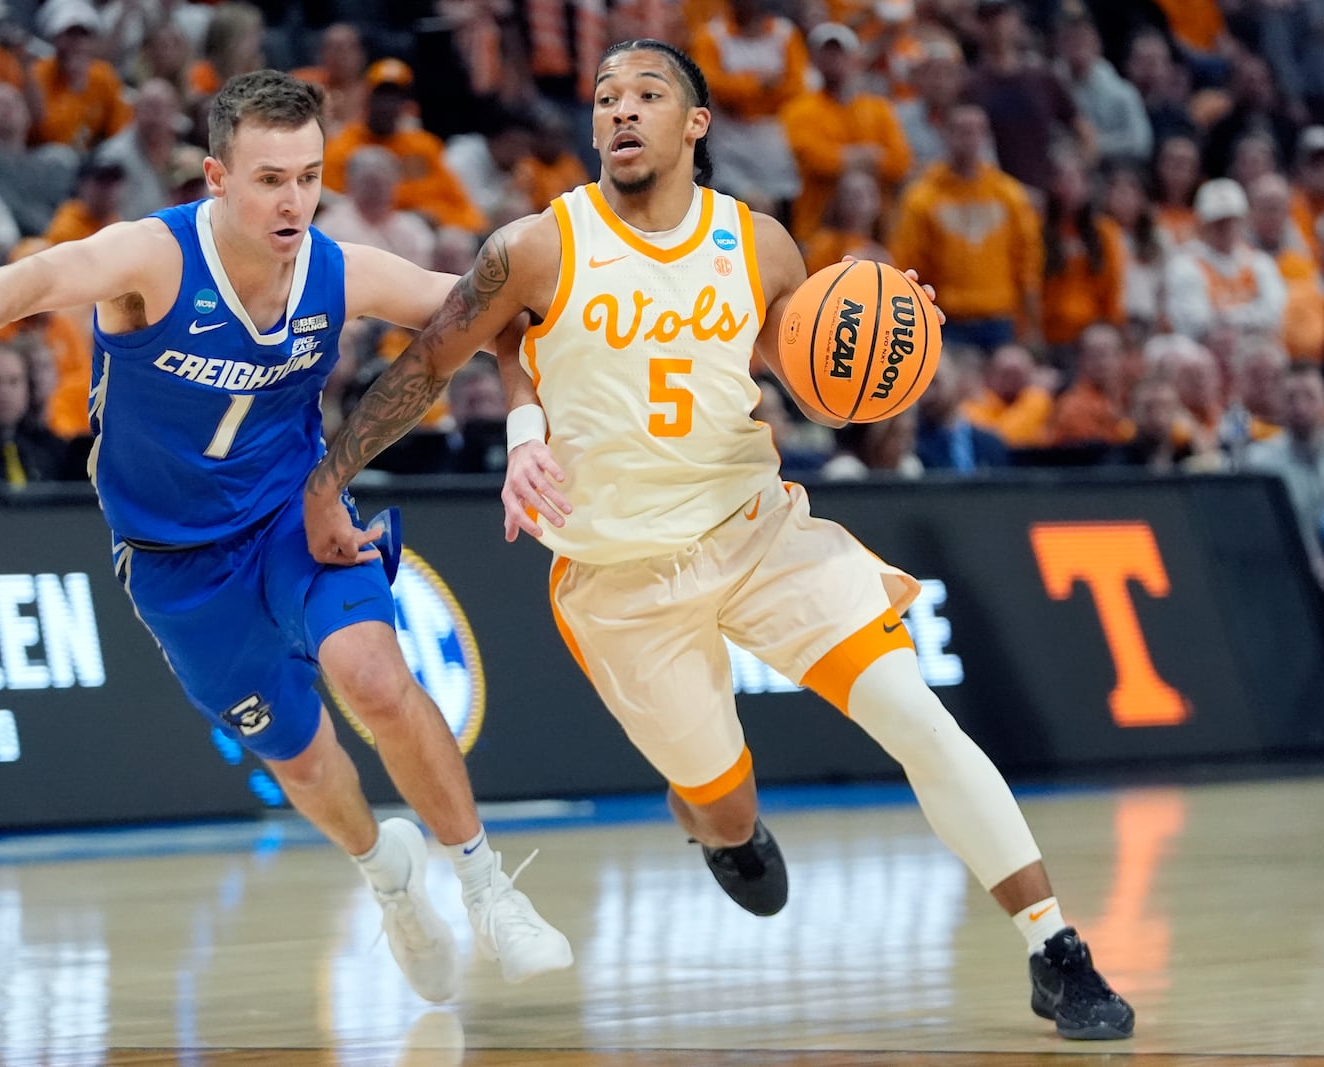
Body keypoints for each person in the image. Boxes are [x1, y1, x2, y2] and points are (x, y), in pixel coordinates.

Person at [303, 39, 1134, 1042]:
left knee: (919, 718)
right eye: (606, 95)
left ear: (695, 123)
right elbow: (431, 359)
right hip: (621, 582)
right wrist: (330, 475)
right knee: (724, 805)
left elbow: (826, 369)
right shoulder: (535, 246)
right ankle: (724, 832)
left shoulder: (762, 247)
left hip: (758, 533)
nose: (619, 110)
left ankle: (1053, 947)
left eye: (646, 94)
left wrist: (897, 335)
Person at [0, 69, 571, 1003]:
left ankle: (487, 888)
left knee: (372, 673)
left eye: (308, 176)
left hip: (295, 516)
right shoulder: (154, 261)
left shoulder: (339, 268)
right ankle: (386, 877)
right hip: (174, 562)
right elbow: (44, 275)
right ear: (216, 177)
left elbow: (494, 314)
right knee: (301, 754)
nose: (294, 200)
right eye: (270, 179)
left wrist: (535, 413)